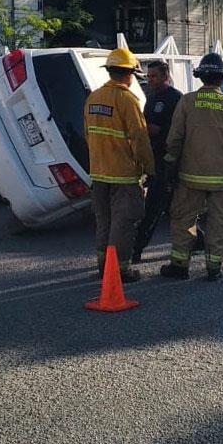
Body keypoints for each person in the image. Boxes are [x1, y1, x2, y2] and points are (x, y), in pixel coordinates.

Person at [160, 53, 223, 282]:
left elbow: (175, 138)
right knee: (218, 222)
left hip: (190, 176)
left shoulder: (187, 101)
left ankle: (180, 265)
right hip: (222, 176)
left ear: (200, 77)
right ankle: (214, 267)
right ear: (222, 79)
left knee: (183, 219)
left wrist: (170, 165)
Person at [84, 48, 156, 282]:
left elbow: (88, 134)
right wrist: (149, 169)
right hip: (123, 176)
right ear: (129, 73)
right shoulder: (128, 100)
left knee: (103, 223)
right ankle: (120, 270)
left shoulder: (93, 97)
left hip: (99, 173)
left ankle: (103, 266)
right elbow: (140, 138)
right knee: (123, 224)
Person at [132, 60, 182, 262]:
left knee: (153, 207)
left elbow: (178, 130)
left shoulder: (175, 98)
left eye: (153, 76)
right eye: (148, 76)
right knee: (172, 207)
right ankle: (198, 241)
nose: (149, 80)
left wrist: (159, 131)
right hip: (154, 158)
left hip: (168, 160)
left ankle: (136, 249)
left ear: (165, 76)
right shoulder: (151, 98)